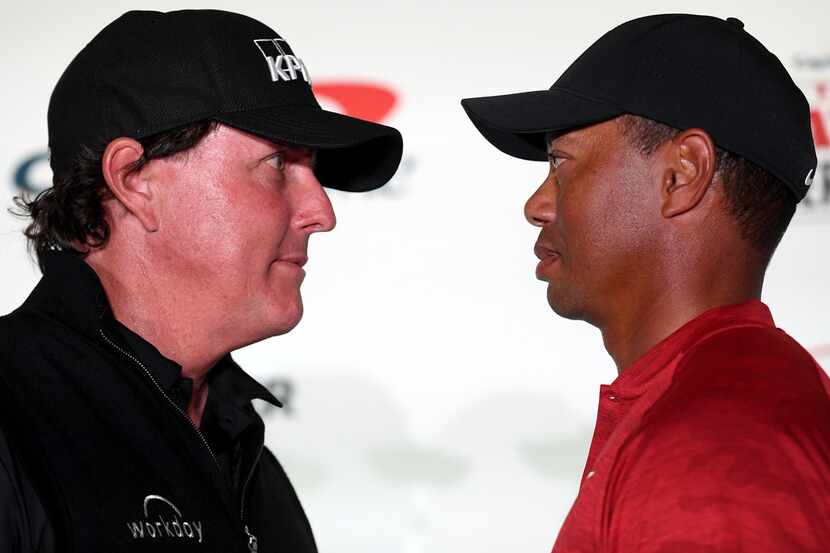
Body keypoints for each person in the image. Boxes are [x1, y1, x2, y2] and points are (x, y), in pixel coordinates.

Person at [0, 9, 402, 553]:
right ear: (134, 182)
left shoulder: (241, 449)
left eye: (315, 171)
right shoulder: (15, 417)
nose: (322, 212)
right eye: (279, 163)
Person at [462, 14, 830, 553]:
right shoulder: (729, 396)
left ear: (682, 175)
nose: (536, 205)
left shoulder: (718, 440)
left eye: (561, 163)